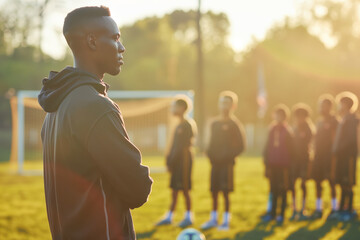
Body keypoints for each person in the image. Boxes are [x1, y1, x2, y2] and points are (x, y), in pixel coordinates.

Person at [38, 6, 153, 240]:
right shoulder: (95, 106)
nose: (122, 47)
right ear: (91, 41)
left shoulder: (55, 107)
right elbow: (138, 189)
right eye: (115, 38)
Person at [201, 91, 246, 231]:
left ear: (233, 106)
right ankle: (213, 219)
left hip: (227, 164)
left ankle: (226, 220)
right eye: (222, 102)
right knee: (214, 191)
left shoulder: (234, 124)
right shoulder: (214, 123)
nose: (224, 105)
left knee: (225, 192)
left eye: (227, 103)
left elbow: (241, 146)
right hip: (215, 164)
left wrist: (227, 156)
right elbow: (210, 143)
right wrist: (209, 154)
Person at [156, 96, 197, 228]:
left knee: (185, 188)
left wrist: (172, 160)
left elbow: (182, 147)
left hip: (184, 161)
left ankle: (189, 216)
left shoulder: (187, 125)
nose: (173, 109)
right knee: (174, 189)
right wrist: (169, 160)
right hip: (176, 161)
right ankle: (169, 216)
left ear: (182, 108)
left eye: (175, 106)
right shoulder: (178, 124)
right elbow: (174, 146)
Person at [262, 104, 293, 224]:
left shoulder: (287, 131)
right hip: (272, 165)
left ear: (285, 117)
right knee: (273, 189)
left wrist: (290, 166)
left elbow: (292, 151)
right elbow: (267, 148)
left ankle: (282, 214)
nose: (278, 118)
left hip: (284, 166)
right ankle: (272, 213)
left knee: (283, 190)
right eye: (277, 115)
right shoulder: (271, 130)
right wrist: (266, 163)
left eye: (281, 116)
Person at [311, 95, 338, 219]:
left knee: (332, 182)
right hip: (318, 157)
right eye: (320, 105)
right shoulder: (319, 121)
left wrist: (333, 156)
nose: (321, 108)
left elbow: (335, 140)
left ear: (329, 106)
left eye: (323, 105)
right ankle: (318, 208)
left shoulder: (334, 121)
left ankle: (334, 208)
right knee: (318, 183)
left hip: (329, 157)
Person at [332, 91, 359, 221]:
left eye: (340, 104)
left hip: (348, 156)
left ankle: (349, 210)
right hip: (342, 156)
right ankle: (341, 208)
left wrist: (339, 149)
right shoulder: (344, 120)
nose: (338, 106)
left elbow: (351, 140)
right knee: (342, 183)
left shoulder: (352, 119)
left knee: (348, 182)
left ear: (346, 105)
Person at [290, 103, 314, 221]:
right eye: (297, 116)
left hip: (304, 160)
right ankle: (294, 209)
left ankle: (303, 208)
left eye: (302, 116)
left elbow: (310, 145)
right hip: (294, 161)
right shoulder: (293, 129)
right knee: (292, 185)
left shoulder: (309, 129)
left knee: (303, 184)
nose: (299, 118)